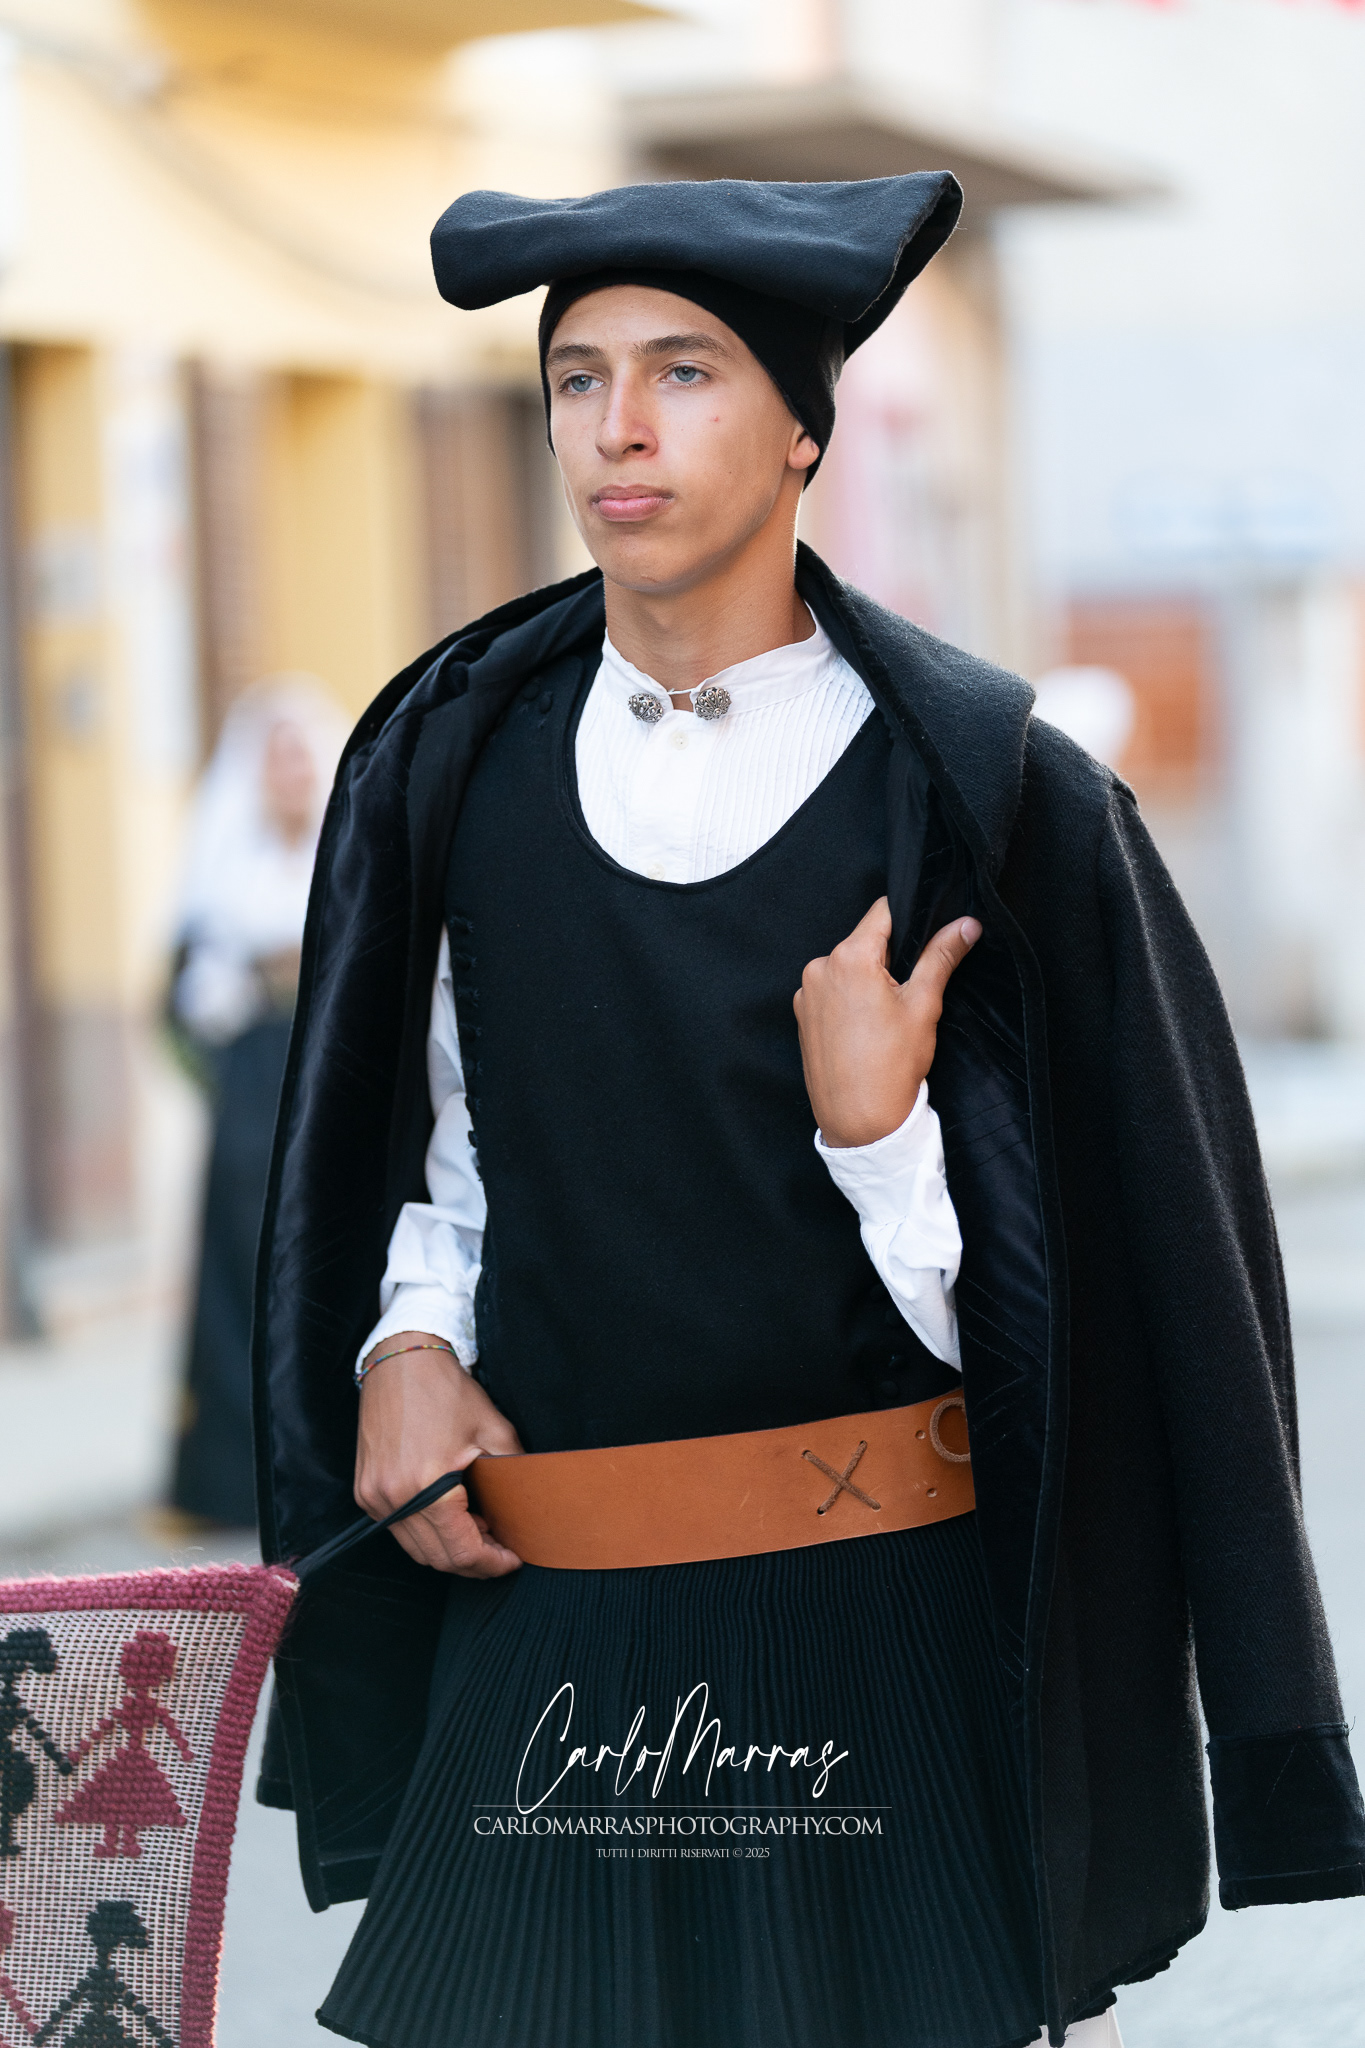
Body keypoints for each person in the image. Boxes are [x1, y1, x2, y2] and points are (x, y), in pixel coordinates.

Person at [252, 175, 1364, 2048]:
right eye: (578, 376)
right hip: (550, 1631)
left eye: (684, 372)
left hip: (877, 1640)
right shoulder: (452, 763)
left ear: (803, 434)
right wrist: (409, 1340)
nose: (617, 425)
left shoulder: (991, 799)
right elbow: (446, 1147)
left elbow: (1096, 1334)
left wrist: (878, 1136)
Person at [166, 679, 345, 1529]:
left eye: (301, 757)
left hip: (332, 1079)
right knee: (247, 1268)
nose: (291, 774)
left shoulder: (350, 851)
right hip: (251, 1100)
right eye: (277, 760)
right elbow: (188, 1004)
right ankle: (238, 1474)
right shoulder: (226, 872)